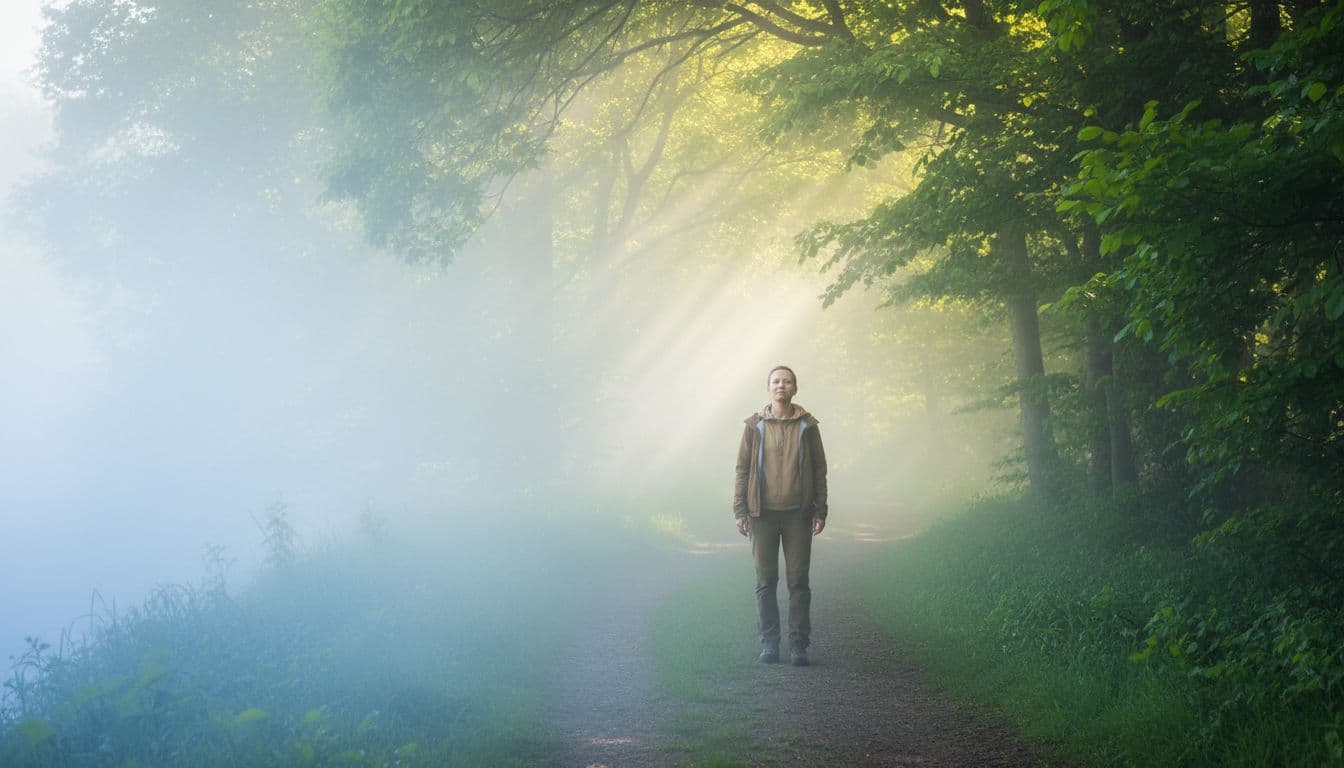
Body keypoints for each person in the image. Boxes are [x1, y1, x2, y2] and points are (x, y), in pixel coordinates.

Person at [733, 365, 828, 666]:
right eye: (776, 381)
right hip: (762, 515)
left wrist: (820, 509)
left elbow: (819, 470)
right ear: (768, 387)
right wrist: (739, 509)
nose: (781, 386)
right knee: (766, 581)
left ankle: (799, 646)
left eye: (787, 381)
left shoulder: (808, 426)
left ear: (795, 388)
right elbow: (742, 469)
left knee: (798, 582)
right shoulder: (754, 426)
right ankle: (770, 644)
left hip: (798, 515)